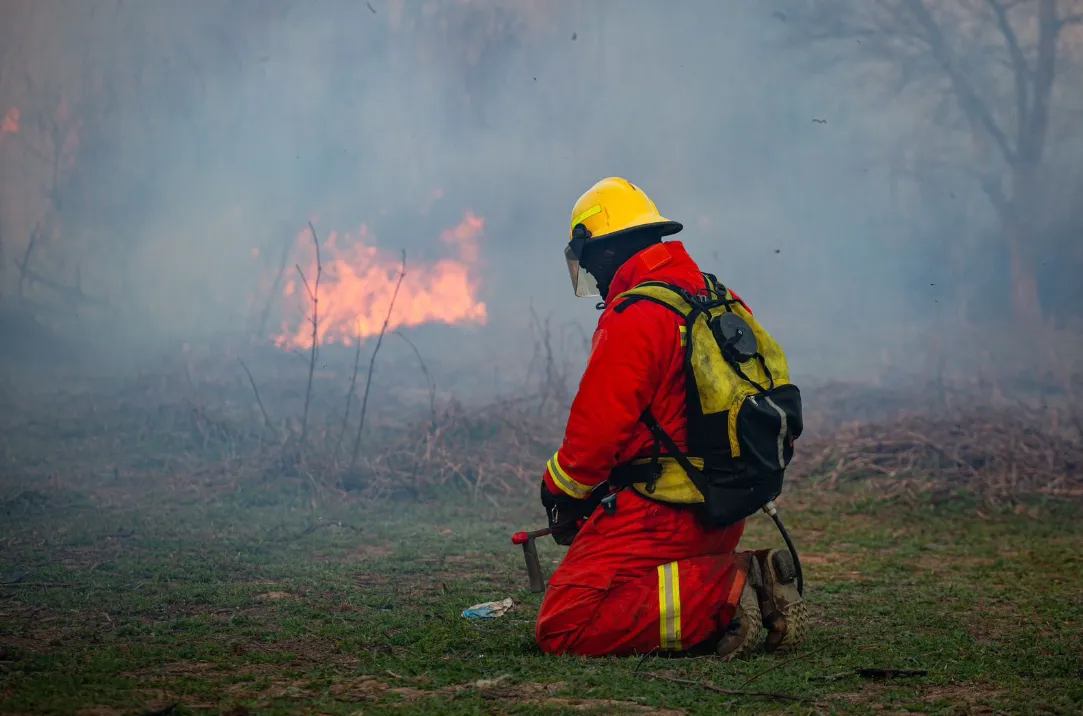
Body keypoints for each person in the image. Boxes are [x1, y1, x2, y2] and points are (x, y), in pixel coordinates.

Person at [535, 177, 808, 659]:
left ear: (600, 251)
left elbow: (594, 440)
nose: (592, 276)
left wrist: (558, 489)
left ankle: (734, 590)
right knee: (634, 592)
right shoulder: (715, 295)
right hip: (723, 507)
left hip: (663, 513)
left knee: (566, 624)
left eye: (588, 259)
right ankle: (732, 582)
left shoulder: (639, 313)